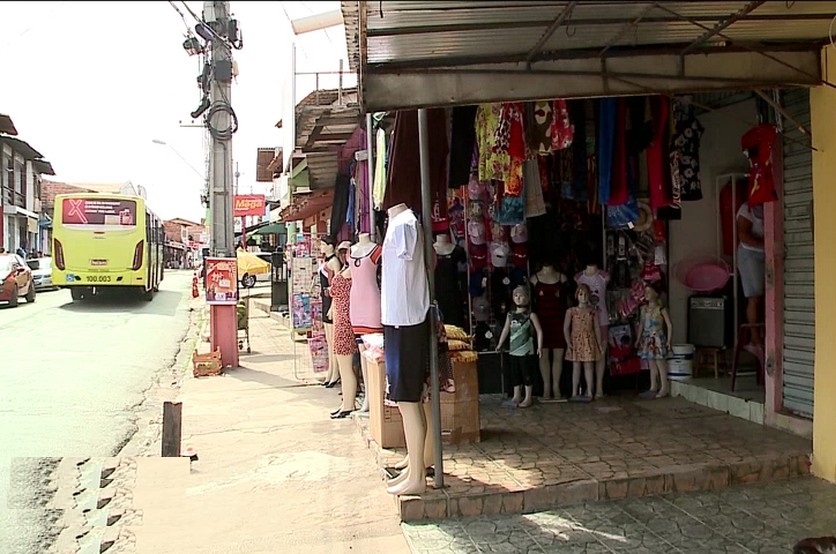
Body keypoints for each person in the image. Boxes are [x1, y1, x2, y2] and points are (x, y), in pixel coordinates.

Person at [496, 286, 544, 409]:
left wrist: (539, 346)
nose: (518, 298)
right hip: (513, 350)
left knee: (527, 373)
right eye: (515, 295)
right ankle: (516, 395)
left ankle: (528, 397)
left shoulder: (530, 315)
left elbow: (539, 330)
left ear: (527, 297)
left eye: (521, 295)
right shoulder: (510, 315)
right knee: (515, 374)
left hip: (526, 351)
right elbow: (506, 329)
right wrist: (500, 343)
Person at [736, 201, 765, 364]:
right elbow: (744, 236)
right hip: (750, 255)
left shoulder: (769, 205)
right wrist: (765, 244)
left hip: (766, 254)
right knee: (754, 296)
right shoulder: (746, 208)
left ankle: (764, 334)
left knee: (766, 297)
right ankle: (754, 338)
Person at [635, 283, 673, 399]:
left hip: (657, 338)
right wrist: (638, 338)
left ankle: (664, 387)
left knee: (660, 363)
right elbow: (641, 324)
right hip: (647, 338)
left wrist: (669, 341)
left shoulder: (661, 309)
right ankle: (653, 386)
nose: (646, 294)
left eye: (649, 292)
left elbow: (669, 325)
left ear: (656, 294)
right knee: (651, 363)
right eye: (645, 292)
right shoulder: (644, 309)